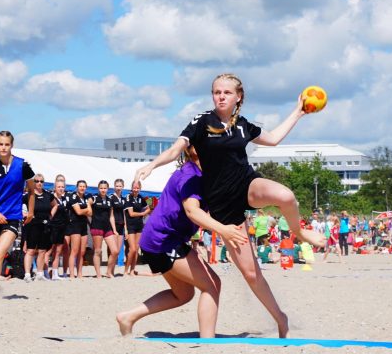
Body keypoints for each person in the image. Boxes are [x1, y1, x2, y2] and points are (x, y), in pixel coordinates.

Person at [134, 73, 326, 337]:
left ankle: (301, 232)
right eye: (216, 92)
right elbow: (176, 149)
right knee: (250, 273)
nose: (220, 96)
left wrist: (298, 111)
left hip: (246, 185)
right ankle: (281, 318)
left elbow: (273, 139)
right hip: (222, 205)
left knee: (285, 195)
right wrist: (151, 165)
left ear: (238, 97)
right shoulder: (202, 122)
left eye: (226, 92)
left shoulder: (243, 124)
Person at [116, 146, 247, 337]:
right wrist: (224, 230)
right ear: (194, 151)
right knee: (212, 285)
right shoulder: (190, 176)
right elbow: (192, 211)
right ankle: (208, 341)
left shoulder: (201, 174)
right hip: (163, 240)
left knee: (183, 294)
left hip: (162, 239)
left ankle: (128, 317)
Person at [0, 131, 35, 298]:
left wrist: (31, 211)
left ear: (12, 145)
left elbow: (32, 190)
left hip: (12, 216)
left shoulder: (22, 165)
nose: (3, 147)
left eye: (7, 144)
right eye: (0, 144)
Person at [22, 173, 53, 282]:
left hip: (45, 225)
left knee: (42, 251)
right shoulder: (28, 196)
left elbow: (55, 205)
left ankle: (40, 274)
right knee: (30, 250)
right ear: (33, 183)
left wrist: (51, 216)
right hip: (32, 225)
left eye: (41, 181)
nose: (39, 183)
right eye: (37, 181)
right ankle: (27, 274)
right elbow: (19, 207)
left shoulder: (48, 195)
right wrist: (25, 215)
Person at [90, 180, 119, 278]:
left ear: (108, 189)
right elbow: (87, 205)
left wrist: (114, 230)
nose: (103, 190)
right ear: (98, 189)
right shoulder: (93, 198)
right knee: (98, 251)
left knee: (115, 251)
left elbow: (111, 216)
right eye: (101, 188)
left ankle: (108, 272)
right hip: (96, 227)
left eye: (105, 188)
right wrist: (89, 215)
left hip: (107, 228)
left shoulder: (110, 199)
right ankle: (98, 274)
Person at [124, 180, 151, 276]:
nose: (135, 189)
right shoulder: (128, 197)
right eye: (134, 188)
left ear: (140, 188)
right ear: (131, 188)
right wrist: (143, 213)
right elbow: (131, 214)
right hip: (130, 225)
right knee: (132, 249)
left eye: (137, 188)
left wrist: (147, 210)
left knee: (137, 249)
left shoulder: (141, 197)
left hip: (139, 225)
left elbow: (149, 207)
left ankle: (132, 270)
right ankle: (126, 270)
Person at [68, 180, 91, 279]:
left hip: (83, 226)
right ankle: (72, 274)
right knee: (74, 251)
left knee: (82, 252)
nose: (82, 188)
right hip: (74, 225)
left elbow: (91, 213)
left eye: (84, 186)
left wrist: (85, 210)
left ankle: (80, 273)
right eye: (80, 186)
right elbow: (78, 212)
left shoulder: (86, 197)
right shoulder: (73, 196)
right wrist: (87, 209)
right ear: (77, 187)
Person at [49, 180, 69, 280]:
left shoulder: (64, 199)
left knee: (57, 252)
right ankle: (44, 273)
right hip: (52, 227)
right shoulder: (51, 198)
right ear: (55, 188)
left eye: (62, 187)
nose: (61, 188)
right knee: (48, 251)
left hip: (62, 228)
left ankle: (55, 274)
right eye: (59, 187)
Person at [110, 179, 127, 270]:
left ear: (123, 187)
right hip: (114, 226)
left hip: (121, 226)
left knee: (118, 249)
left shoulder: (123, 199)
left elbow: (124, 214)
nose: (118, 188)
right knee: (113, 250)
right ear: (114, 187)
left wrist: (126, 229)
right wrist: (114, 229)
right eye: (117, 186)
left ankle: (115, 268)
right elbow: (111, 215)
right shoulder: (111, 198)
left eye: (120, 186)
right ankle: (110, 270)